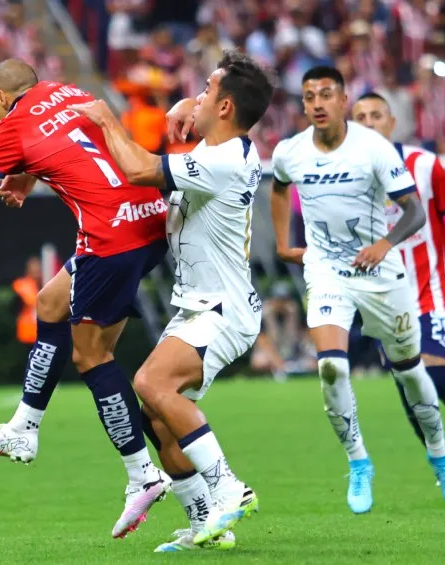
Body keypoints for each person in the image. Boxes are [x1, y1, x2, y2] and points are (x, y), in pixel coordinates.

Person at [0, 60, 172, 538]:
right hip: (152, 216)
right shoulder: (66, 92)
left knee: (92, 355)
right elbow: (75, 146)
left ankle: (142, 474)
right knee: (49, 303)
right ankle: (24, 429)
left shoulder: (12, 126)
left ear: (3, 99)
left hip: (110, 236)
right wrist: (25, 172)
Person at [71, 49, 274, 550]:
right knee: (157, 413)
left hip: (222, 309)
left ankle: (228, 487)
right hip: (201, 304)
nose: (198, 94)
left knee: (150, 381)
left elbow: (140, 170)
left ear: (225, 107)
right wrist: (190, 103)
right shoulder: (228, 148)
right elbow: (199, 126)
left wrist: (106, 121)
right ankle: (207, 522)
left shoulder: (221, 160)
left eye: (206, 88)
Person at [270, 66, 445, 514]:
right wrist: (284, 244)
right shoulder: (290, 151)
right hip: (327, 272)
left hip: (381, 274)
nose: (317, 103)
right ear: (302, 105)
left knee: (409, 370)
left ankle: (439, 454)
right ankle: (359, 463)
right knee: (331, 370)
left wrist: (385, 244)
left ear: (343, 101)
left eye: (325, 94)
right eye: (308, 97)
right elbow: (279, 189)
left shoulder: (373, 148)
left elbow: (414, 211)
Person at [352, 92, 445, 461]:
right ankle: (441, 462)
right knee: (409, 387)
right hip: (384, 299)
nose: (369, 122)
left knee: (433, 376)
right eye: (360, 116)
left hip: (432, 289)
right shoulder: (347, 177)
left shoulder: (424, 164)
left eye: (376, 115)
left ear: (392, 123)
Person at [12, 257, 43, 346]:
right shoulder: (21, 285)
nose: (37, 272)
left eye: (38, 269)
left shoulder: (45, 284)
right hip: (27, 334)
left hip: (43, 334)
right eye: (34, 269)